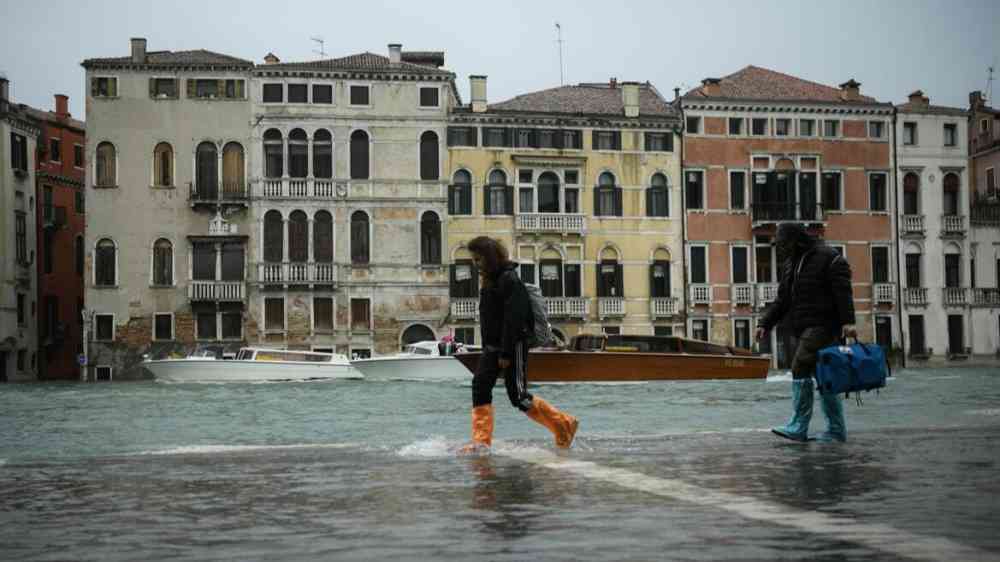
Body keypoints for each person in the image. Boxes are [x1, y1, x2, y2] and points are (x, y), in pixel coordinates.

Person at [459, 236, 579, 453]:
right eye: (474, 260)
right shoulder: (490, 281)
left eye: (479, 260)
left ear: (490, 258)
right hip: (492, 347)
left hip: (512, 346)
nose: (476, 265)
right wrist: (488, 347)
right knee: (480, 386)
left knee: (519, 396)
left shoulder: (509, 280)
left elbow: (514, 320)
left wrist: (505, 353)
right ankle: (481, 442)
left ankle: (563, 423)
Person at [756, 223, 856, 443]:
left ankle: (799, 426)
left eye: (782, 244)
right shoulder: (792, 264)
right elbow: (783, 300)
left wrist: (848, 321)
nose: (780, 249)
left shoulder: (829, 257)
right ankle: (836, 430)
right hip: (804, 326)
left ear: (796, 241)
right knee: (824, 376)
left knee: (800, 365)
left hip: (824, 325)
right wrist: (765, 324)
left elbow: (843, 291)